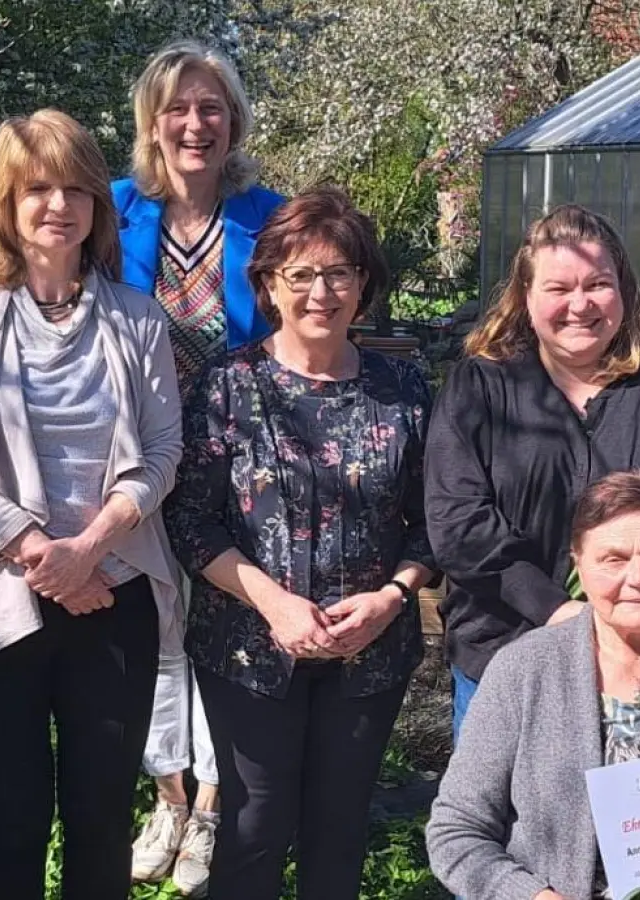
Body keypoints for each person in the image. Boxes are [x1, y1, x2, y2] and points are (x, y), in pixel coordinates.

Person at [0, 109, 182, 899]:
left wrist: (90, 546)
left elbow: (163, 451)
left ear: (99, 205)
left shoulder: (138, 319)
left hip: (113, 594)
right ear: (6, 203)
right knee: (14, 820)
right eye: (37, 188)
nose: (57, 205)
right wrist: (39, 555)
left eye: (76, 188)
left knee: (101, 826)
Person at [164, 186, 433, 900]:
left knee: (339, 831)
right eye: (302, 275)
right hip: (250, 649)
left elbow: (431, 516)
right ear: (269, 286)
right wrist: (275, 604)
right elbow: (190, 520)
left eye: (341, 272)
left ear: (364, 285)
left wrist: (390, 596)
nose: (323, 291)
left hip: (369, 653)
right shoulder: (230, 387)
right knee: (254, 828)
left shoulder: (403, 389)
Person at [426, 204, 640, 739]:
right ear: (526, 299)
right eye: (558, 288)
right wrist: (557, 612)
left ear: (624, 291)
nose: (580, 305)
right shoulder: (481, 388)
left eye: (598, 284)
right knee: (501, 819)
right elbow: (458, 521)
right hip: (506, 652)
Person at [113, 39, 282, 893]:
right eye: (177, 108)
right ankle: (167, 796)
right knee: (152, 626)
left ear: (234, 120)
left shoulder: (269, 216)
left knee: (223, 626)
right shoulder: (109, 213)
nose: (194, 123)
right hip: (134, 458)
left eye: (210, 106)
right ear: (151, 122)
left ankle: (212, 809)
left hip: (242, 460)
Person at [426, 472, 640, 899]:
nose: (638, 578)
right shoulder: (525, 670)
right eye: (614, 559)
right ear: (578, 563)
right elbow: (457, 831)